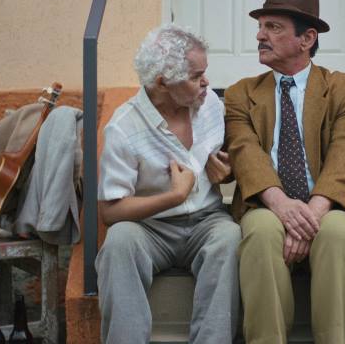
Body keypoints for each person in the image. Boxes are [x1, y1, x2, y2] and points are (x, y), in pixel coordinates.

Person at [224, 0, 345, 344]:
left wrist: (309, 216)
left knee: (335, 233)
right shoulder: (242, 93)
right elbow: (245, 153)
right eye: (261, 27)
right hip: (267, 203)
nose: (260, 35)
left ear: (307, 38)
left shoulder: (344, 89)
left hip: (324, 203)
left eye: (273, 27)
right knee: (259, 232)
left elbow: (344, 156)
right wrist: (284, 207)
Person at [95, 25, 240, 344]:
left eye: (205, 72)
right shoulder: (123, 128)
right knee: (118, 242)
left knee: (229, 236)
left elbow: (226, 160)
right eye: (195, 76)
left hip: (206, 221)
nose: (206, 83)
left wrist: (226, 173)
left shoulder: (211, 107)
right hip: (150, 229)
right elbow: (110, 211)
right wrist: (175, 195)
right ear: (162, 82)